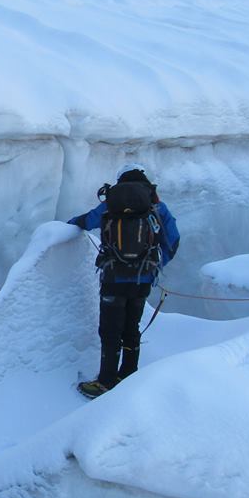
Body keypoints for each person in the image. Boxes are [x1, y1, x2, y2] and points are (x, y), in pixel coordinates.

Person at [67, 163, 179, 398]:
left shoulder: (112, 202)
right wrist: (155, 266)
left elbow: (87, 221)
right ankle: (129, 375)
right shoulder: (157, 206)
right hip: (143, 279)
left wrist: (66, 225)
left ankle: (106, 381)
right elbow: (173, 240)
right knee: (131, 327)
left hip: (114, 278)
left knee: (110, 330)